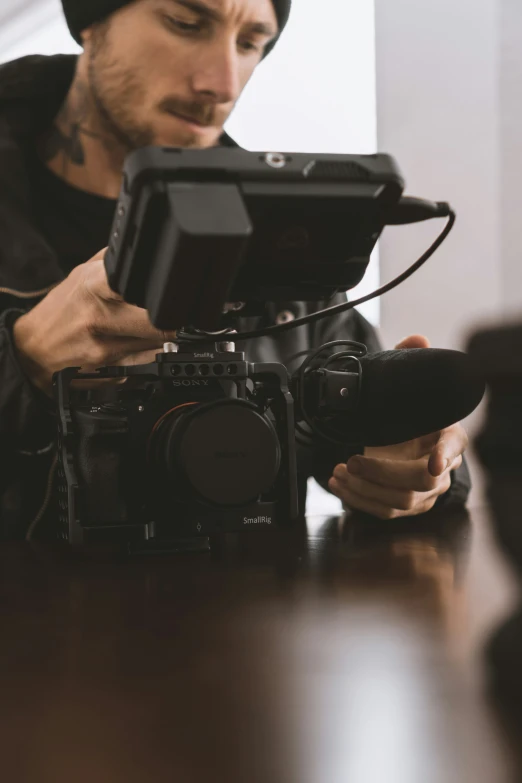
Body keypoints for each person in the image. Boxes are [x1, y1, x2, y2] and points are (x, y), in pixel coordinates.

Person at [0, 0, 469, 539]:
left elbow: (389, 453)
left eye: (250, 43)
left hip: (243, 612)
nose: (223, 83)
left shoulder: (280, 236)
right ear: (90, 20)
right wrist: (25, 363)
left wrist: (417, 465)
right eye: (185, 23)